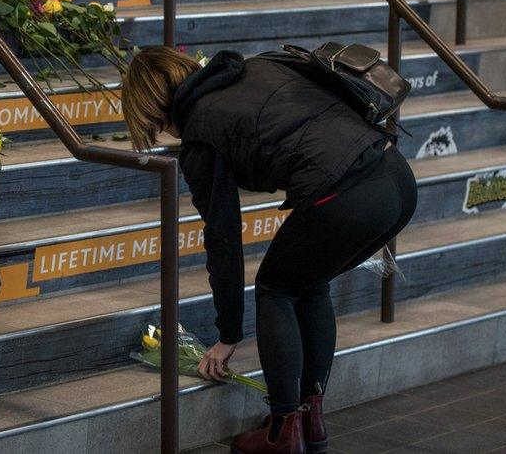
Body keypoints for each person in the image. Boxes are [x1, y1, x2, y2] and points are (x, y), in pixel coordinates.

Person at [121, 46, 418, 454]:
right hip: (396, 177)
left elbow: (223, 238)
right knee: (308, 283)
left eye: (155, 124)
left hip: (349, 192)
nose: (164, 133)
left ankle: (283, 431)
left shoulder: (201, 131)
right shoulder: (255, 67)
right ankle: (309, 420)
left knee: (275, 289)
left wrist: (228, 334)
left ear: (155, 107)